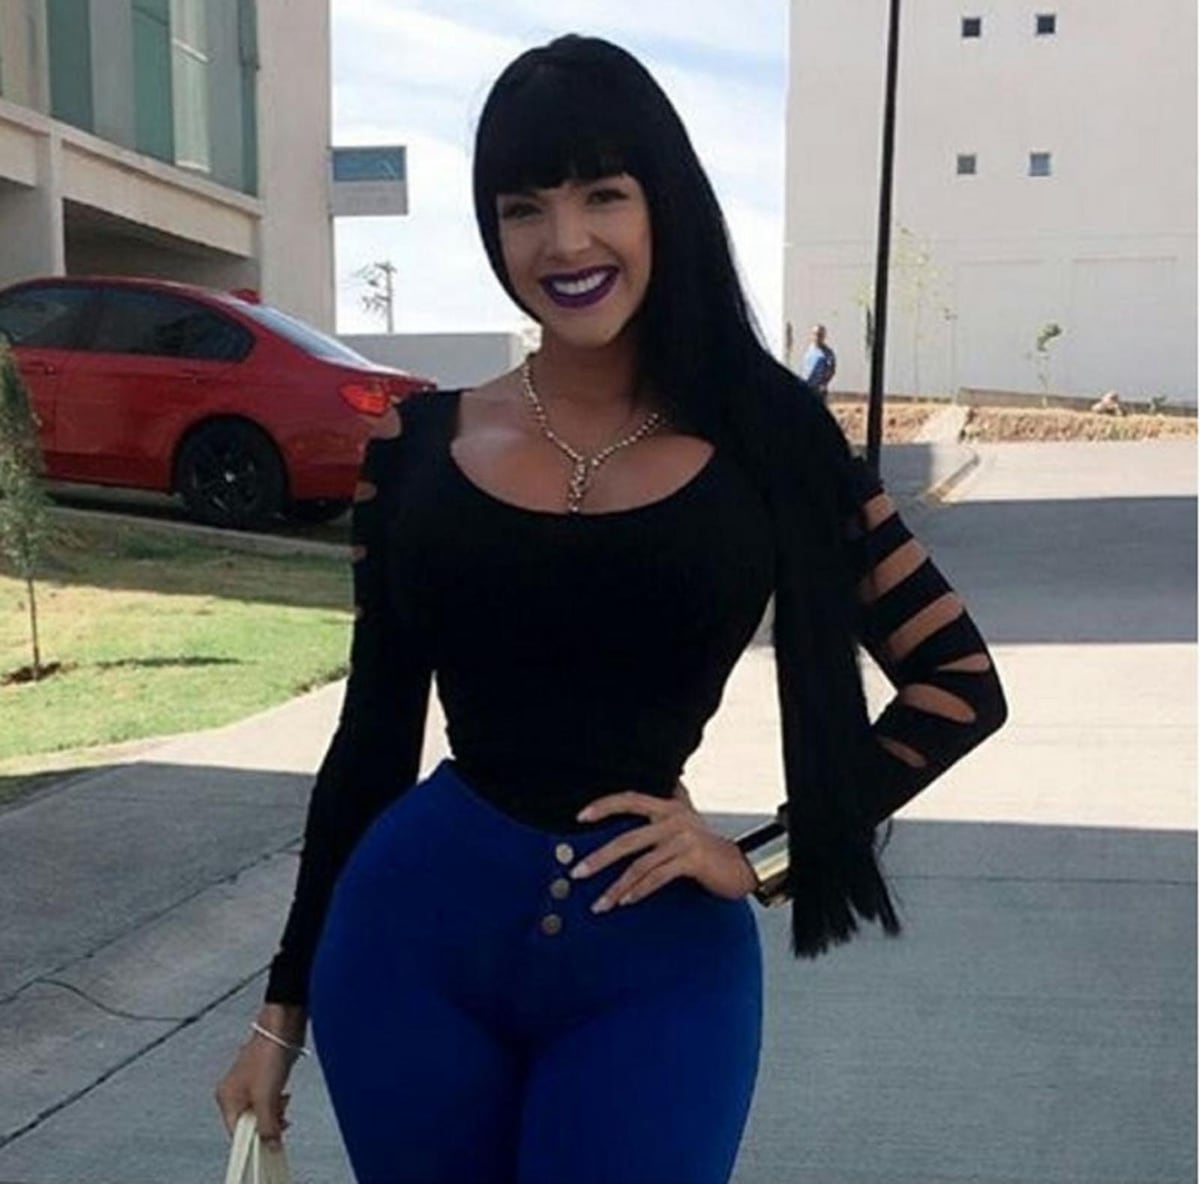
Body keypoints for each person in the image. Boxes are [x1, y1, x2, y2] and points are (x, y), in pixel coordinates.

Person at [215, 34, 1006, 1184]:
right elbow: (372, 740)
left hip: (655, 970)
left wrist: (765, 855)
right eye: (523, 207)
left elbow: (958, 684)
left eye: (602, 194)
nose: (565, 241)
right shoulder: (415, 446)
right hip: (406, 951)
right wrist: (279, 1014)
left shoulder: (776, 443)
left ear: (662, 202)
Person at [800, 323, 837, 398]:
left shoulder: (827, 353)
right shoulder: (809, 350)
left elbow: (831, 370)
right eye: (815, 334)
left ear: (824, 336)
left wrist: (824, 383)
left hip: (818, 390)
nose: (817, 337)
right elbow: (805, 368)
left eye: (820, 334)